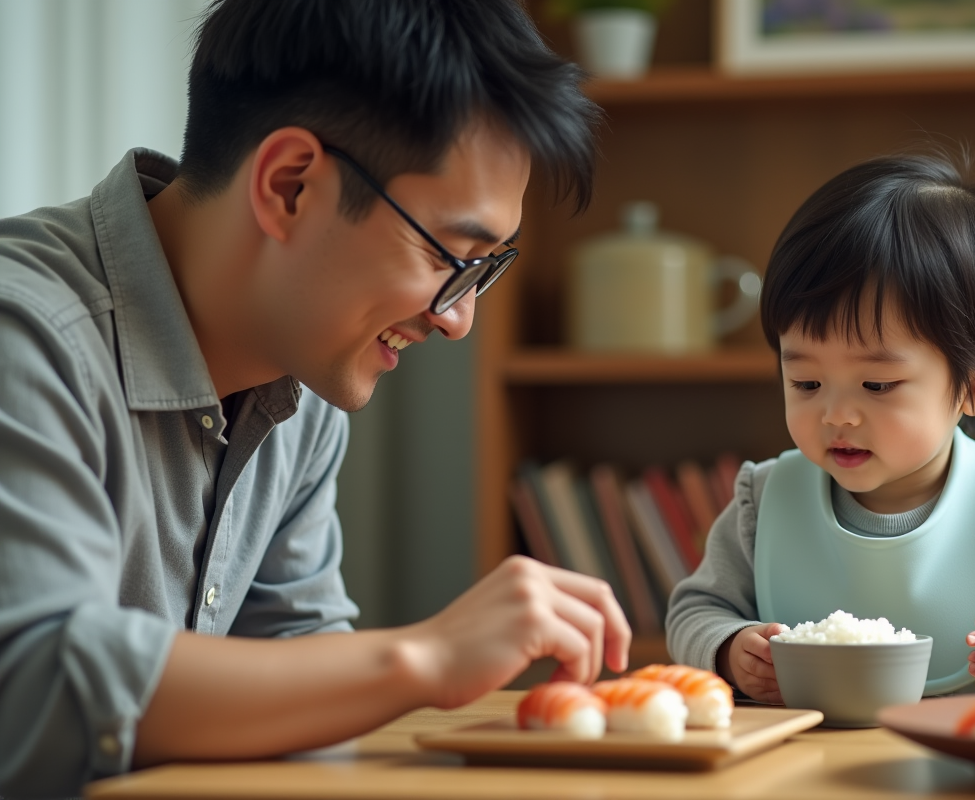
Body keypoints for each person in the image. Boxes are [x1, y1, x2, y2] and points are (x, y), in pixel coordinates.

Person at [0, 1, 631, 796]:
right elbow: (34, 686)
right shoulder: (25, 334)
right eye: (451, 255)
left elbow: (297, 674)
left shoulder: (300, 380)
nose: (457, 318)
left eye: (485, 268)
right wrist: (423, 658)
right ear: (290, 185)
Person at [666, 153, 975, 703]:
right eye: (806, 383)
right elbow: (694, 610)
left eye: (876, 386)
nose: (836, 414)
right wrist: (728, 648)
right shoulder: (763, 504)